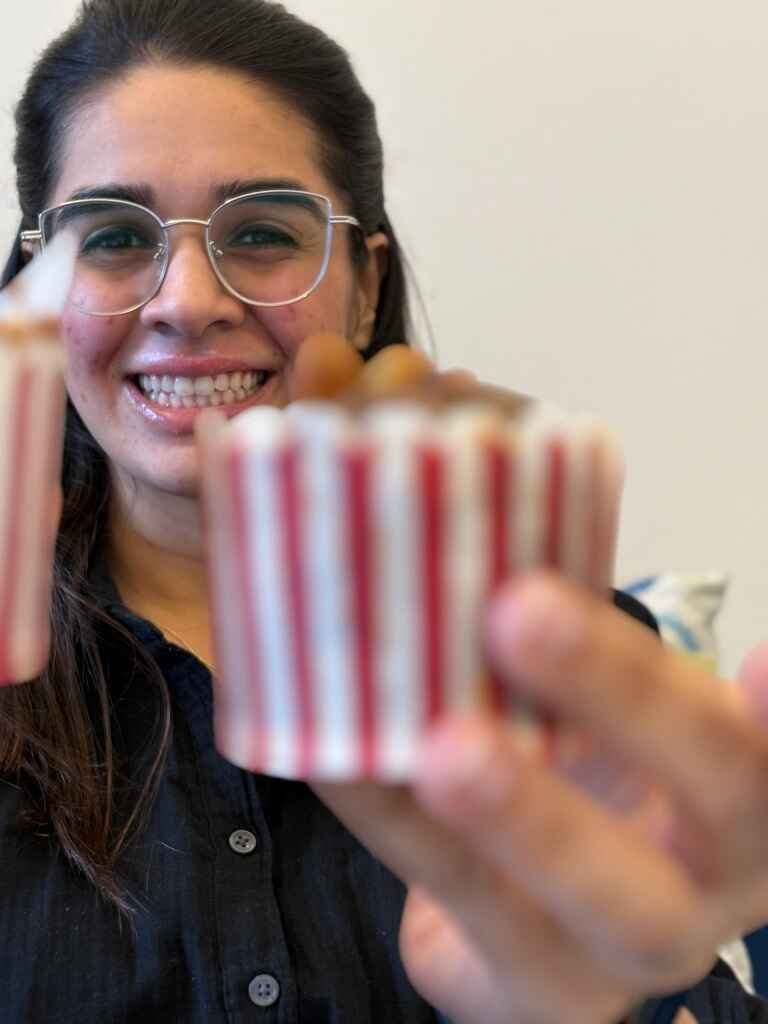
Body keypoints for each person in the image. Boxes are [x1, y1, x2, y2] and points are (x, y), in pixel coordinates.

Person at [2, 1, 768, 1021]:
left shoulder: (556, 663)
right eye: (112, 236)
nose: (186, 301)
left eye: (262, 231)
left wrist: (592, 1007)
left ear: (365, 285)